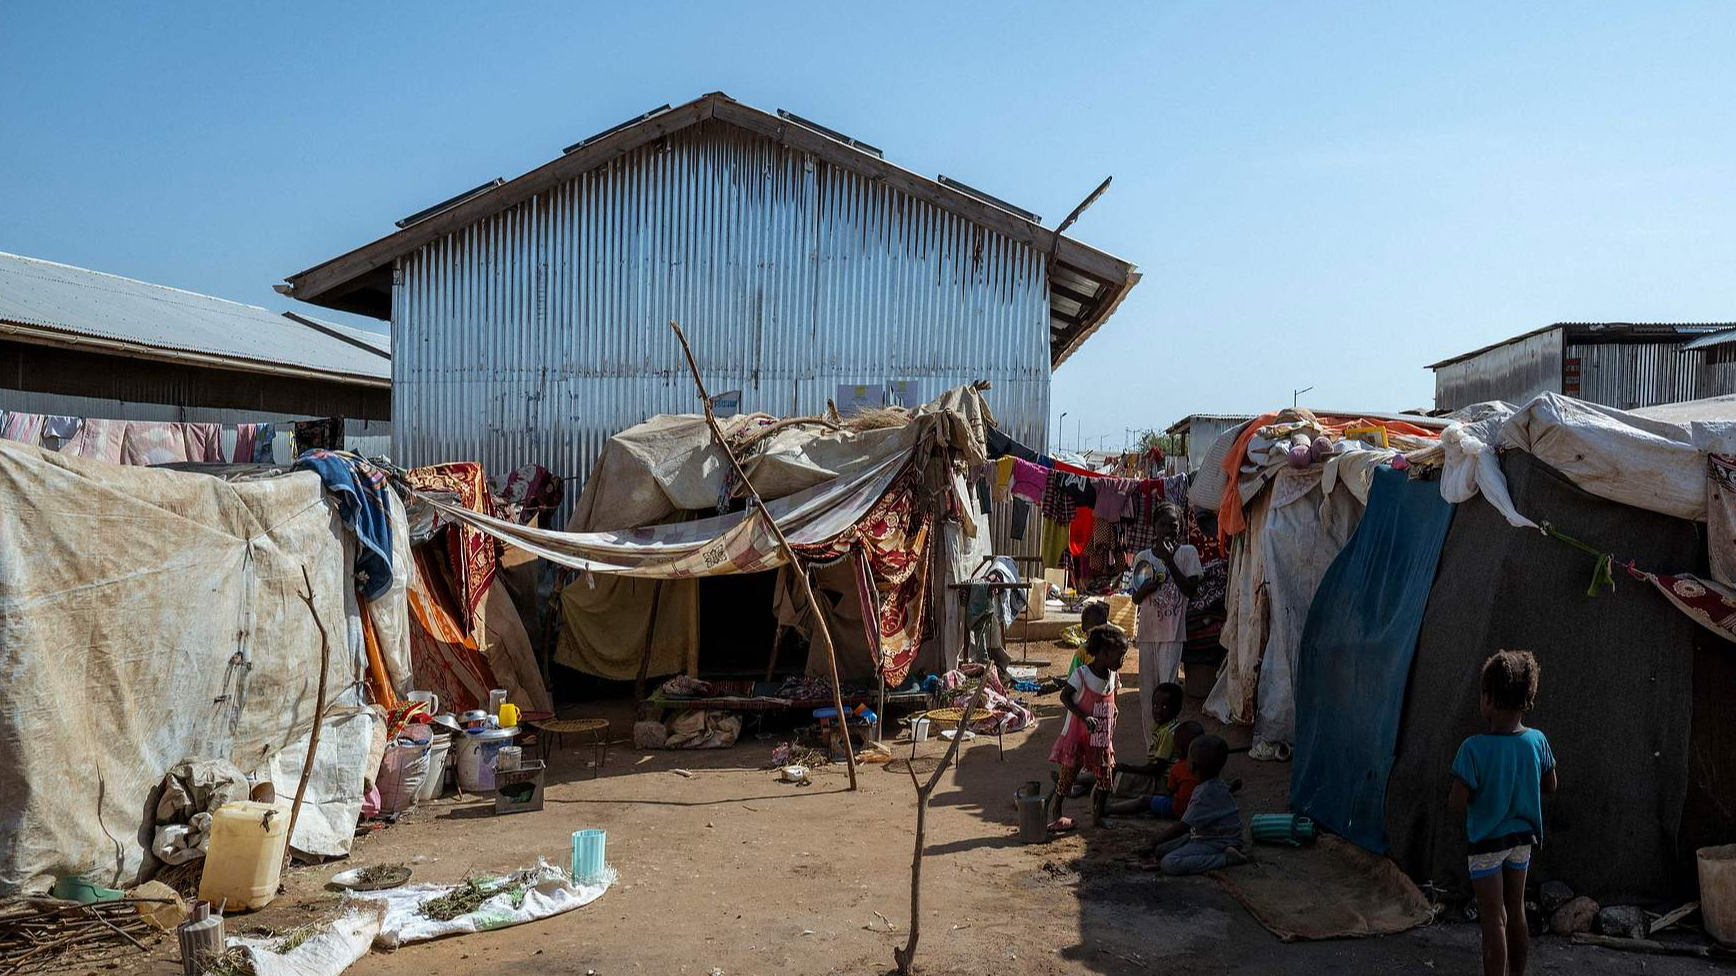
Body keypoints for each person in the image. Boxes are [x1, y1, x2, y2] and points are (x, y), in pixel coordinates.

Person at [1449, 650, 1557, 976]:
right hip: (1521, 840)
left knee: (1493, 920)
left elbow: (1456, 801)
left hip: (1486, 844)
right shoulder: (1537, 741)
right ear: (1528, 698)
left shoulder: (1473, 749)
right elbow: (1550, 784)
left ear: (1488, 699)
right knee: (1516, 910)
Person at [1130, 503, 1202, 745]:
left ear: (1180, 528)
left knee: (1167, 692)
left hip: (1172, 633)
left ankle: (1167, 745)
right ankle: (1152, 747)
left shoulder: (1187, 553)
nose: (1168, 529)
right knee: (1148, 694)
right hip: (1148, 634)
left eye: (1173, 525)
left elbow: (1190, 590)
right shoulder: (1143, 558)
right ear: (1155, 527)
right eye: (1163, 524)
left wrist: (1169, 560)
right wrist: (1146, 589)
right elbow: (1135, 598)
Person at [1047, 624, 1129, 833]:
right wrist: (1084, 716)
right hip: (1079, 735)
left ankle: (1098, 815)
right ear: (1102, 653)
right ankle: (1057, 811)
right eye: (1119, 656)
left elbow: (1113, 698)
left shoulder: (1112, 676)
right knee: (1068, 775)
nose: (1122, 661)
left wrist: (1114, 712)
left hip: (1101, 737)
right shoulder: (1082, 675)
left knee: (1105, 777)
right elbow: (1065, 697)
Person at [1141, 734, 1248, 874]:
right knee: (1161, 850)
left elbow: (1182, 826)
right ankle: (1225, 854)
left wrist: (1154, 840)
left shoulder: (1203, 794)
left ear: (1192, 766)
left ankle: (1225, 859)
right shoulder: (1216, 783)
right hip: (1210, 835)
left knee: (1169, 863)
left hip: (1218, 842)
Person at [1104, 719, 1202, 819]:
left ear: (1179, 748)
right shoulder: (1205, 767)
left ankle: (1108, 809)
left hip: (1178, 808)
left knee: (1144, 801)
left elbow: (1170, 788)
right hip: (1198, 809)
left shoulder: (1177, 768)